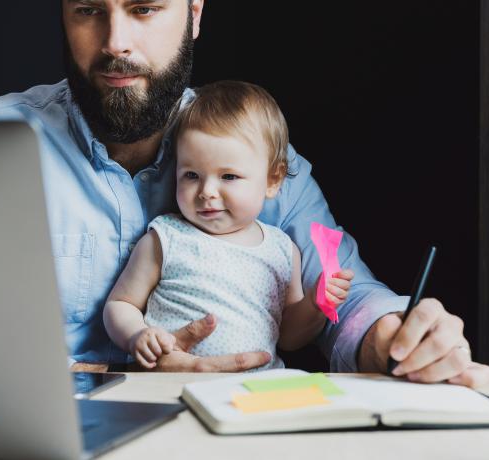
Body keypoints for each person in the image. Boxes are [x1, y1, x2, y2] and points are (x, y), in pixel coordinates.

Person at [0, 0, 489, 387]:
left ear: (194, 14)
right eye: (87, 11)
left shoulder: (253, 153)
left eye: (144, 9)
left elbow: (344, 293)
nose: (114, 43)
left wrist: (390, 336)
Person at [103, 80, 354, 370]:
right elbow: (120, 304)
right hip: (173, 384)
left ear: (273, 180)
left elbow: (289, 338)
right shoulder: (166, 238)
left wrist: (315, 304)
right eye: (192, 175)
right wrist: (137, 335)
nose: (207, 191)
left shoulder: (283, 251)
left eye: (229, 177)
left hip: (256, 391)